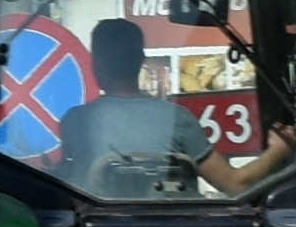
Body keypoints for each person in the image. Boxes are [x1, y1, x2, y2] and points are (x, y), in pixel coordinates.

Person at [56, 19, 216, 194]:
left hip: (102, 220)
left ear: (98, 65)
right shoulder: (178, 118)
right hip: (172, 220)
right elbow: (233, 183)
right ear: (141, 61)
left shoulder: (75, 121)